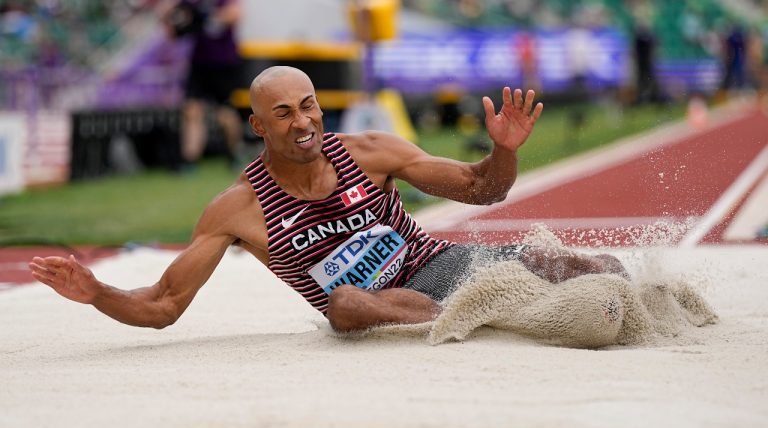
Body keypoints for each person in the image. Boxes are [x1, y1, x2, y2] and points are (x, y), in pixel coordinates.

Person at [28, 66, 628, 333]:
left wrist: (504, 151)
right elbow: (163, 303)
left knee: (574, 265)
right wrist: (97, 292)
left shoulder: (367, 151)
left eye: (309, 105)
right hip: (376, 305)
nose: (303, 122)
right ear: (259, 127)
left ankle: (578, 294)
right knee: (344, 303)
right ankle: (486, 314)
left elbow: (482, 188)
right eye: (284, 113)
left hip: (439, 266)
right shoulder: (237, 209)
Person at [163, 0, 243, 166]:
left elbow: (234, 15)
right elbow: (171, 27)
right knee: (192, 111)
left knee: (224, 114)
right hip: (199, 64)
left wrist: (205, 17)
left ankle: (234, 152)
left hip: (223, 63)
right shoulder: (192, 3)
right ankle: (189, 160)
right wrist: (177, 18)